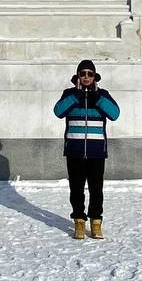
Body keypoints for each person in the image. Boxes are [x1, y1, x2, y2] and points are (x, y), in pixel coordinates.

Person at [52, 59, 120, 240]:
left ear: (95, 77)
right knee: (76, 189)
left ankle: (96, 222)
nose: (86, 77)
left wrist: (97, 98)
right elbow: (58, 111)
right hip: (74, 151)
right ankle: (79, 222)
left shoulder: (103, 94)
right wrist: (76, 95)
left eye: (90, 74)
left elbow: (115, 114)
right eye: (83, 74)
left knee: (96, 189)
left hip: (96, 152)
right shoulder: (69, 93)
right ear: (78, 76)